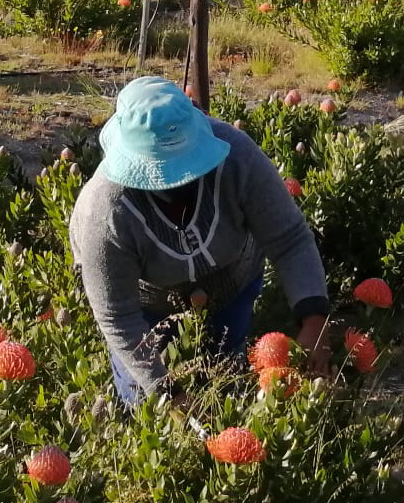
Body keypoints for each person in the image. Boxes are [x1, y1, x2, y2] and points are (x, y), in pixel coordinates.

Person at [69, 76, 331, 408]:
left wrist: (314, 321)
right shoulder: (104, 210)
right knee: (146, 406)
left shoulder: (238, 157)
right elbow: (118, 316)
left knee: (225, 379)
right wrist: (165, 393)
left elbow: (289, 238)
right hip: (147, 307)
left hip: (231, 280)